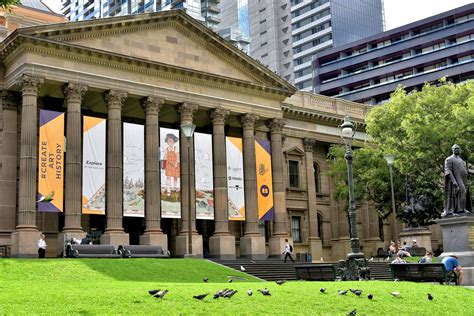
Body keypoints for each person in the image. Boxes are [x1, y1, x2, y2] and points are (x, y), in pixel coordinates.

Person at [442, 144, 469, 217]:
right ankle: (453, 210)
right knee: (457, 193)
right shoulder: (449, 159)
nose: (456, 150)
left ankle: (461, 209)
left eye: (458, 148)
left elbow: (466, 170)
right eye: (455, 149)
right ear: (452, 150)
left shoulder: (462, 161)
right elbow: (448, 171)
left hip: (463, 179)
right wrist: (454, 182)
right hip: (456, 179)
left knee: (463, 193)